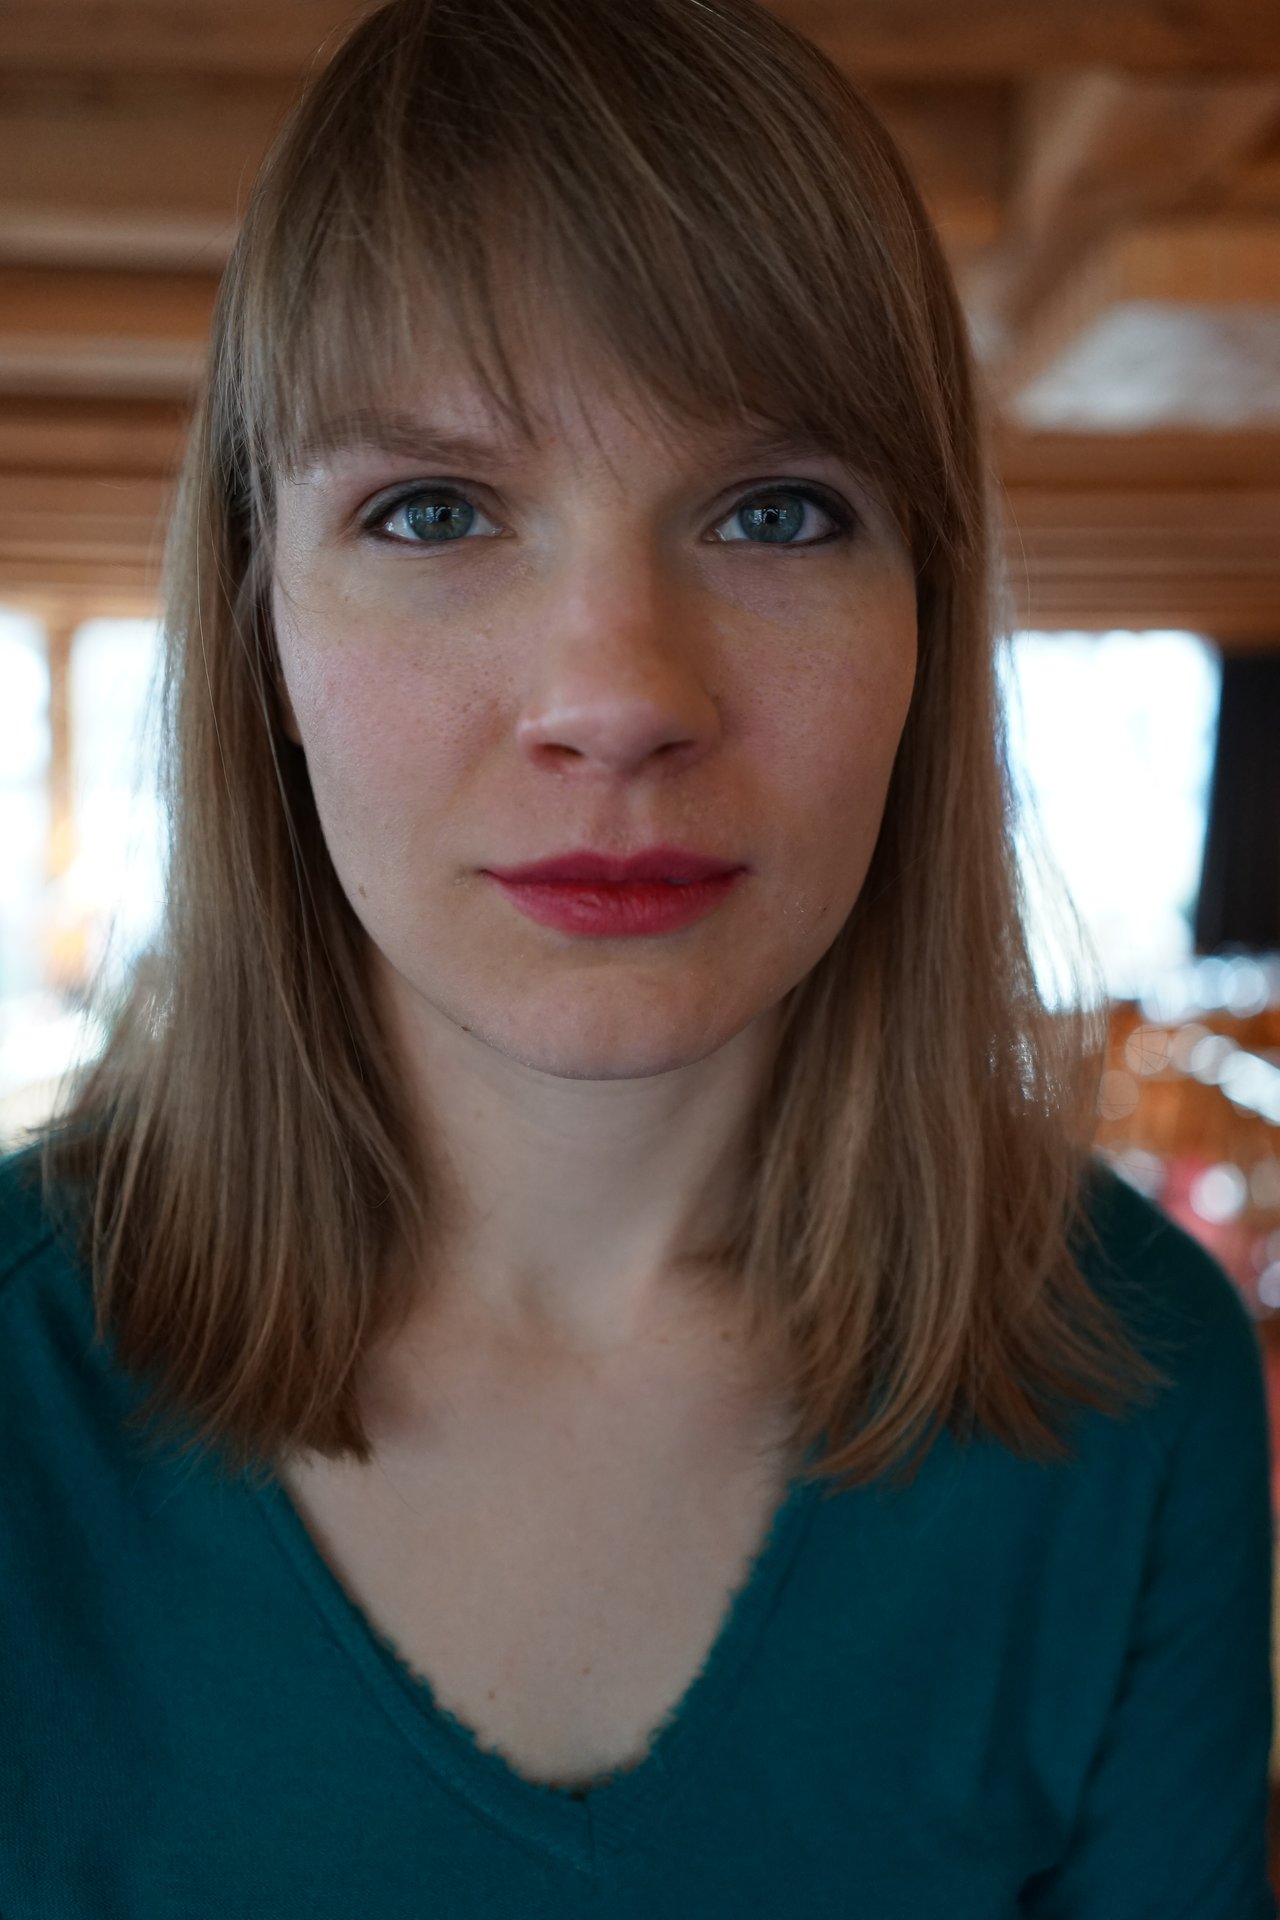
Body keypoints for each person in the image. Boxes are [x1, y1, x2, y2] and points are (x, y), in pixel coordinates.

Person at [1, 0, 1274, 1911]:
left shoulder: (1132, 1377)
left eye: (778, 511)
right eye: (433, 509)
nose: (618, 697)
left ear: (928, 627)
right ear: (260, 625)